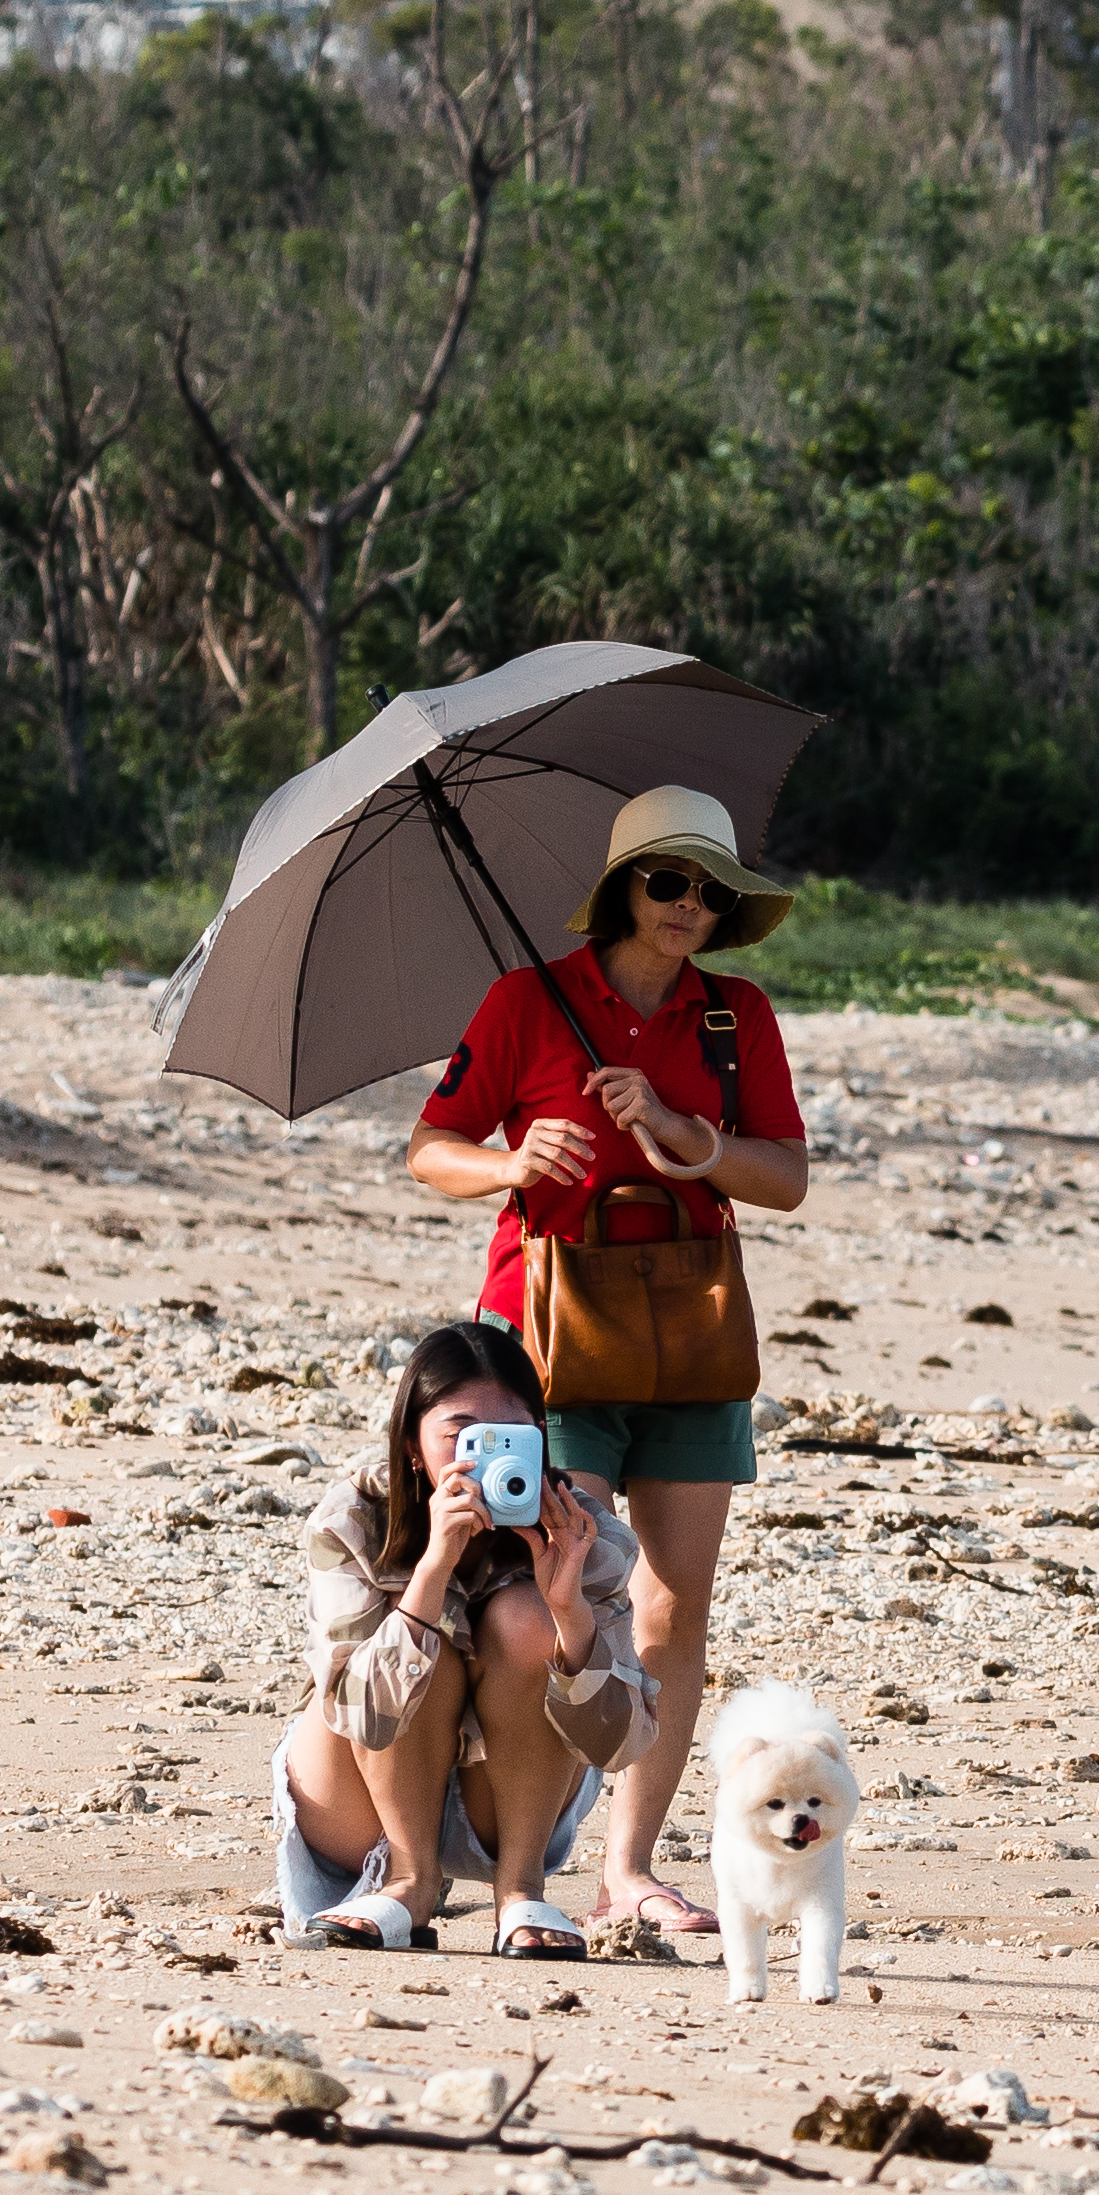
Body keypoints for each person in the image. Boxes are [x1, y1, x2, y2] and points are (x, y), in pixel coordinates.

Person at [401, 782, 812, 1953]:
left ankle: (628, 1871)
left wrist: (694, 1142)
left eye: (708, 888)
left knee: (675, 1610)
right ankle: (504, 1860)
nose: (687, 905)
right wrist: (512, 1161)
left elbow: (785, 1176)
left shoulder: (735, 1018)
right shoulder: (527, 1005)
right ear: (621, 891)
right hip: (545, 1343)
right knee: (546, 1601)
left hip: (692, 1337)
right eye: (665, 881)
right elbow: (430, 1150)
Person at [280, 1317, 645, 1954]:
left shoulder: (588, 1535)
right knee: (418, 1636)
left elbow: (620, 1745)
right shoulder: (355, 1520)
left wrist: (569, 1611)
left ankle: (522, 1888)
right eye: (463, 1436)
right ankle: (409, 1882)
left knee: (527, 1618)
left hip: (507, 1803)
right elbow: (357, 1716)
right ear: (413, 1446)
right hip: (360, 1794)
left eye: (512, 1435)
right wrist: (430, 1573)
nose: (489, 1458)